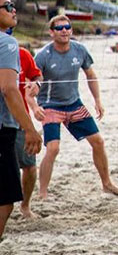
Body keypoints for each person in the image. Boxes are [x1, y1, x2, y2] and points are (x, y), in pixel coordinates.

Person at [34, 15, 118, 198]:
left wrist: (98, 100)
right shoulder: (43, 55)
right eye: (59, 28)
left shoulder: (79, 50)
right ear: (51, 32)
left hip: (74, 103)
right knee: (53, 148)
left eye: (67, 27)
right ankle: (42, 193)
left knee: (98, 141)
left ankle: (107, 183)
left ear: (71, 30)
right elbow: (30, 84)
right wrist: (34, 107)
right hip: (50, 105)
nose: (64, 30)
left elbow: (91, 75)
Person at [0, 0, 42, 239]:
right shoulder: (6, 43)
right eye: (8, 7)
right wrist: (29, 128)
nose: (14, 10)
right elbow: (8, 89)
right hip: (3, 130)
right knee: (5, 201)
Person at [8, 30, 43, 219]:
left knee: (29, 165)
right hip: (5, 120)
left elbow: (37, 76)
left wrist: (37, 85)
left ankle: (25, 206)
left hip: (20, 120)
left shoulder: (22, 53)